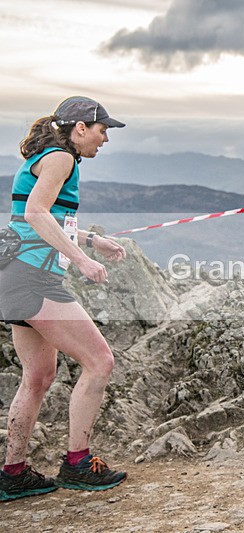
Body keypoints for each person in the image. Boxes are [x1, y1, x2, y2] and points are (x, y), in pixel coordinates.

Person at [0, 96, 129, 501]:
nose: (105, 139)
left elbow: (40, 218)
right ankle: (78, 463)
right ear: (80, 128)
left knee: (38, 377)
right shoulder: (62, 158)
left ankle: (13, 473)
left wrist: (92, 240)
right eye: (102, 130)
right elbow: (37, 213)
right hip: (33, 280)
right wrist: (83, 260)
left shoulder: (47, 156)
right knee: (100, 362)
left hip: (16, 277)